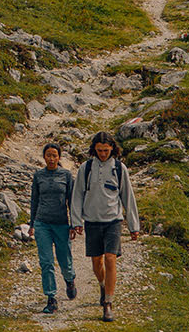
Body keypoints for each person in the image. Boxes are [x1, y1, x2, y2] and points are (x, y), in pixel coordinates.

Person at [70, 131, 139, 322]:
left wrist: (133, 226)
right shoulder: (86, 168)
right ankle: (102, 285)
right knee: (96, 261)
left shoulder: (119, 168)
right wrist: (76, 221)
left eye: (106, 150)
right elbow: (77, 195)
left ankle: (108, 303)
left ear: (112, 149)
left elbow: (128, 197)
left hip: (113, 221)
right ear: (94, 149)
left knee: (110, 258)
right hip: (92, 221)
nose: (102, 154)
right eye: (99, 150)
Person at [27, 142, 78, 314]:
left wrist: (73, 224)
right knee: (46, 262)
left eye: (54, 155)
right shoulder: (38, 176)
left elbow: (72, 201)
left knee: (65, 260)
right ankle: (51, 298)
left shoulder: (66, 175)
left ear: (59, 157)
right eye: (48, 155)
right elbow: (34, 200)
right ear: (44, 157)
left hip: (61, 224)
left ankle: (70, 280)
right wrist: (32, 224)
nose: (51, 158)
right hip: (42, 224)